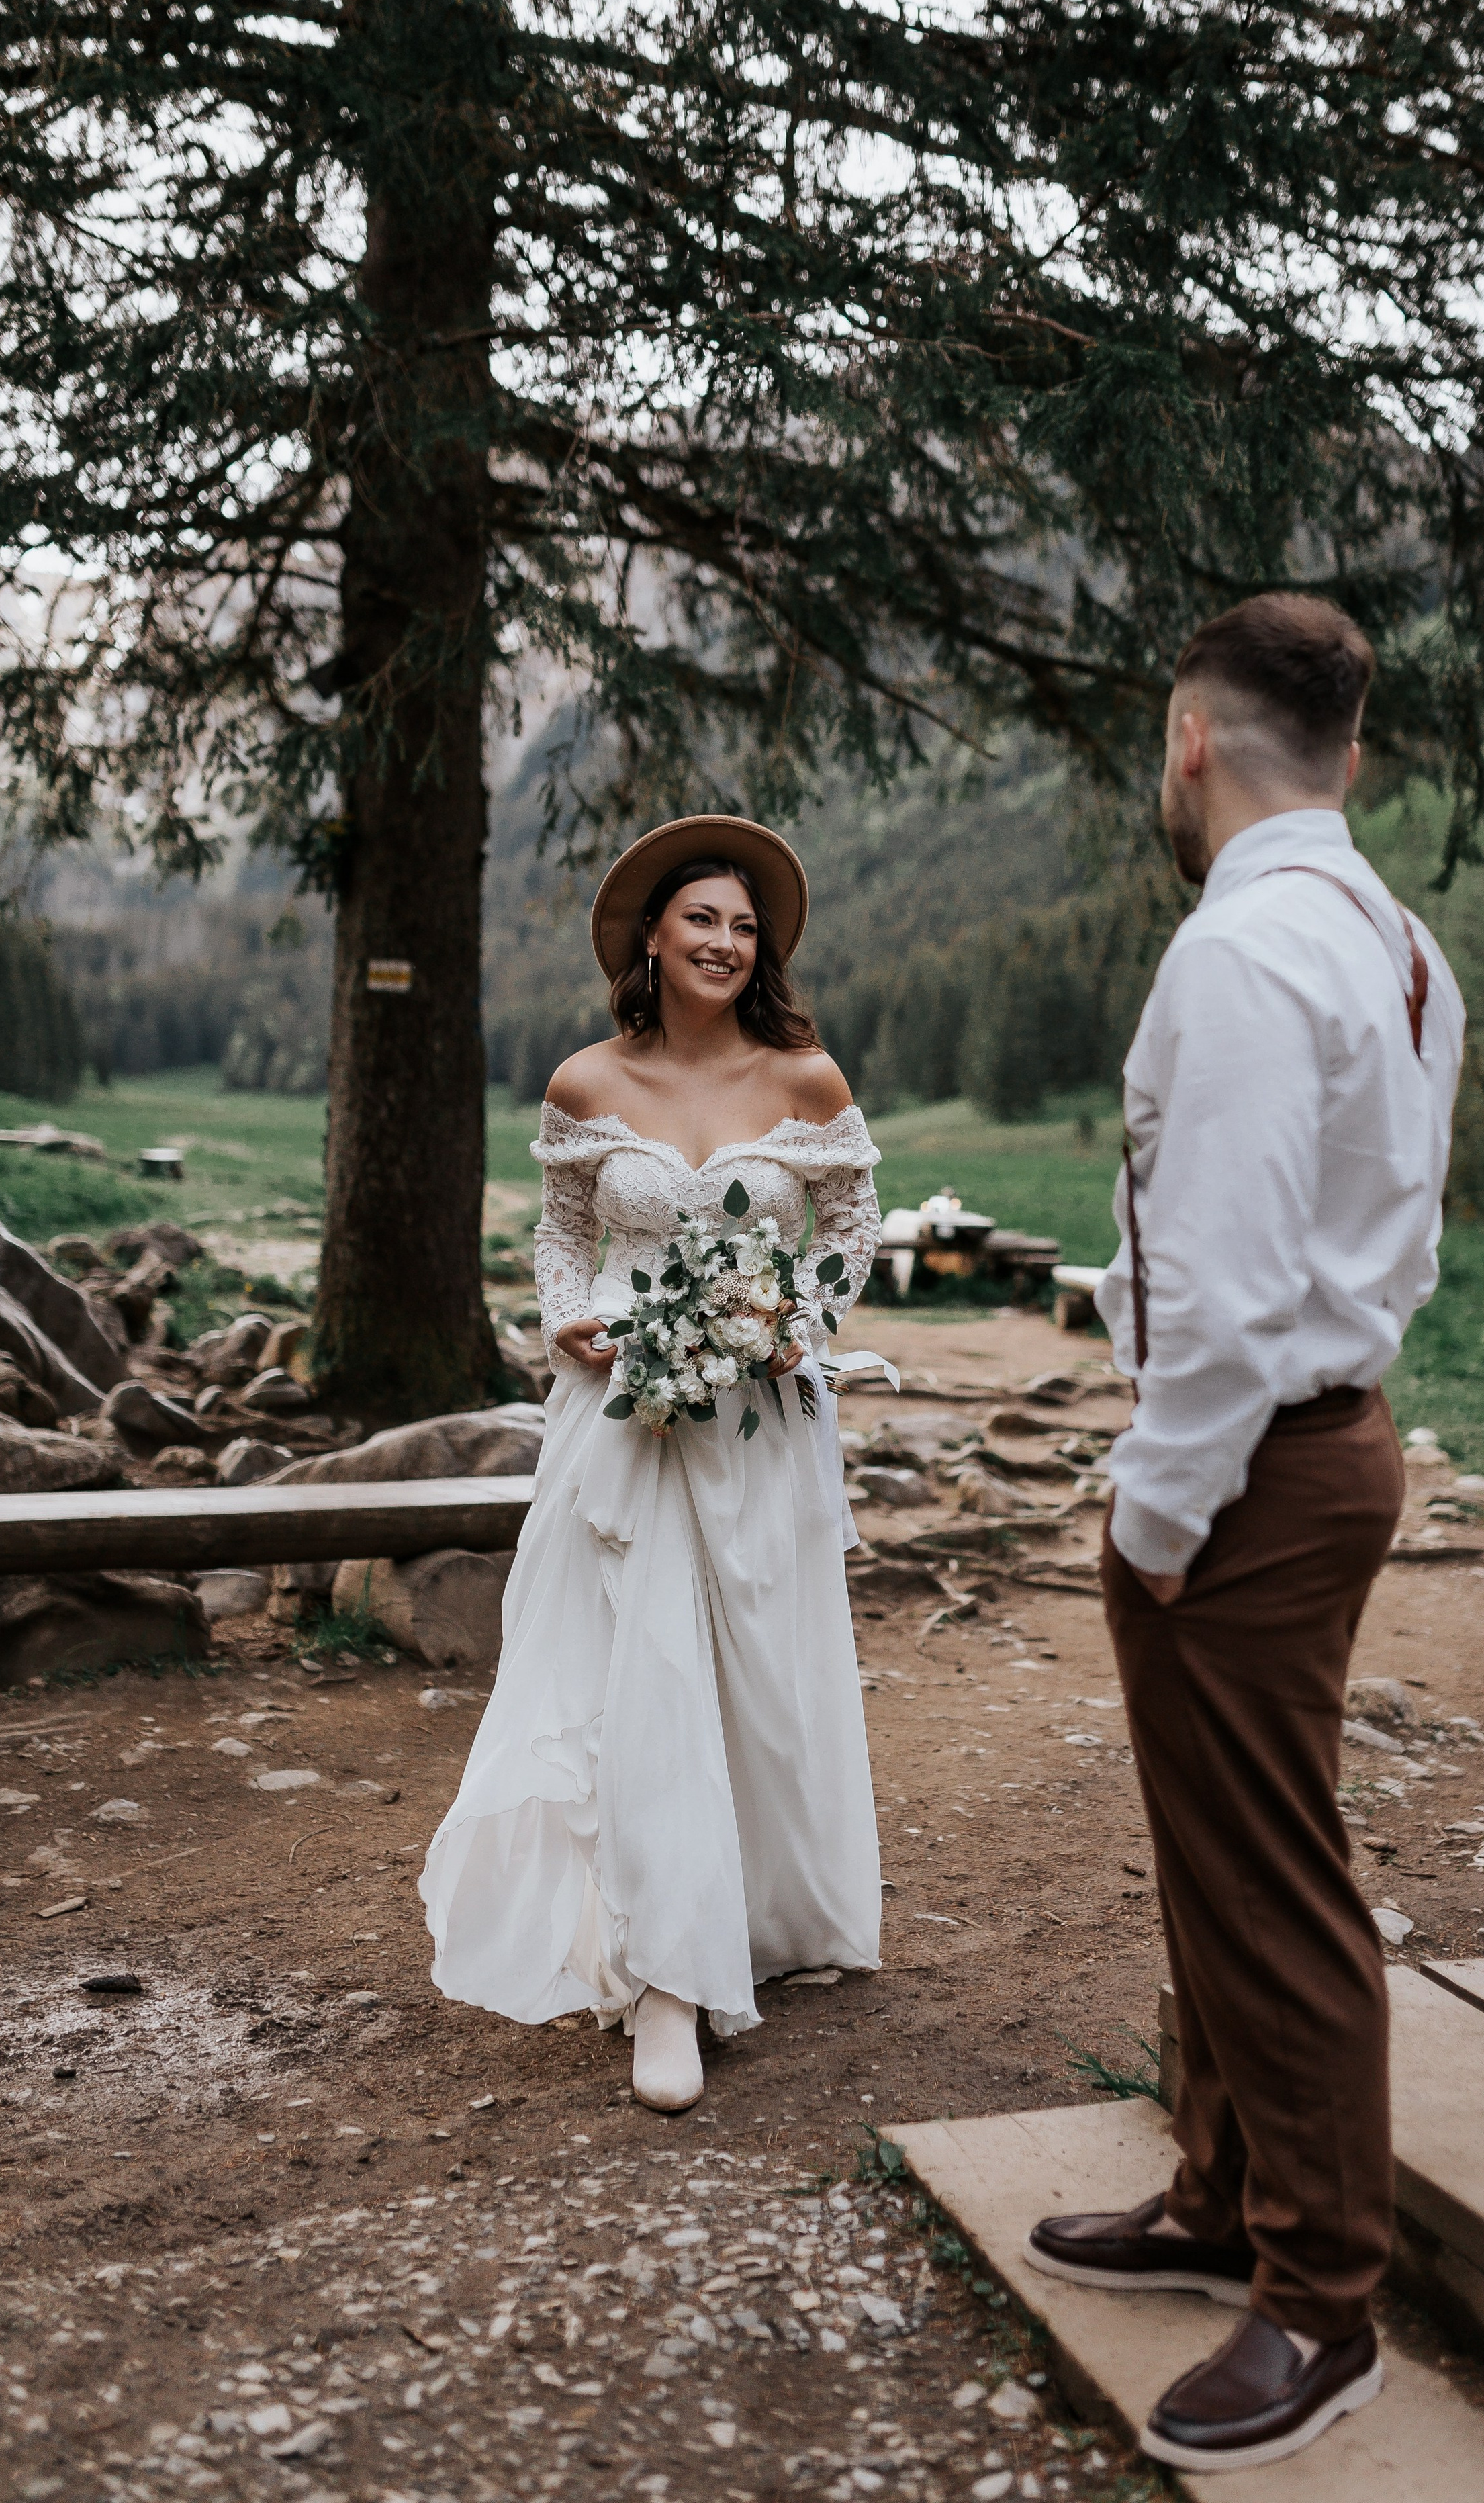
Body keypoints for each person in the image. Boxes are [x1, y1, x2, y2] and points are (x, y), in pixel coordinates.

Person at [1023, 594, 1464, 2473]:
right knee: (1225, 1852)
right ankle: (1217, 2196)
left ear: (1191, 742)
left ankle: (1321, 2303)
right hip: (1329, 1441)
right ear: (1347, 753)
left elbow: (1214, 1288)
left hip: (1251, 1475)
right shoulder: (1397, 938)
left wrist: (1162, 1512)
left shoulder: (1242, 952)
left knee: (1272, 1881)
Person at [420, 815, 883, 2113]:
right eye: (704, 921)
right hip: (620, 1416)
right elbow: (562, 1241)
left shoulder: (807, 1084)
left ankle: (756, 1913)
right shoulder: (584, 1085)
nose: (727, 943)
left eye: (746, 926)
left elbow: (850, 1231)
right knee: (646, 1668)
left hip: (761, 1417)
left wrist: (796, 1323)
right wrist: (566, 1318)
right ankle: (665, 1980)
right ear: (653, 939)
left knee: (757, 1673)